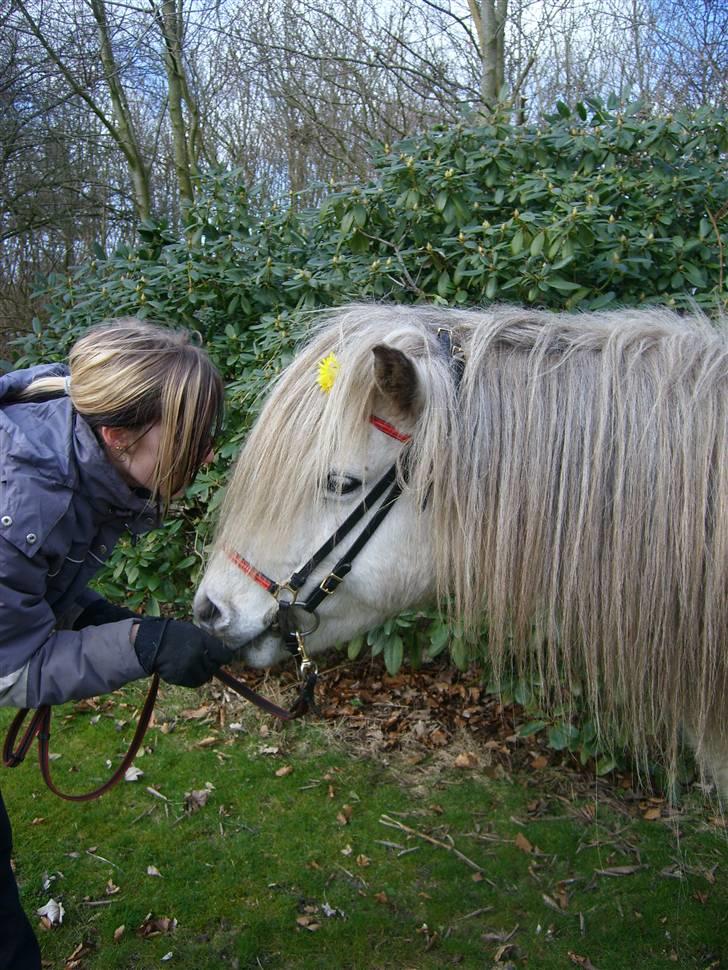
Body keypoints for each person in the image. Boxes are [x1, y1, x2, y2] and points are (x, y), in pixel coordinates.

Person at [0, 317, 233, 969]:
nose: (205, 454)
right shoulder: (22, 495)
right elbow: (12, 667)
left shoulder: (71, 460)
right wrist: (140, 644)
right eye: (188, 436)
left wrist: (100, 618)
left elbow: (34, 595)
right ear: (118, 434)